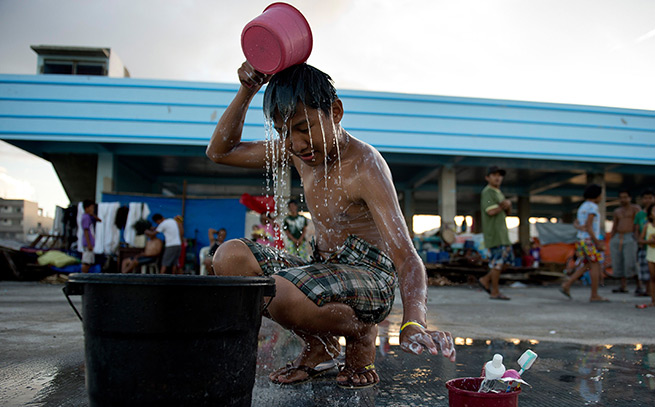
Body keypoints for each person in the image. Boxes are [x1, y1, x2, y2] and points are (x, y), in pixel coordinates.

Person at [206, 62, 455, 388]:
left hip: (370, 279)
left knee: (276, 291)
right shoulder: (298, 152)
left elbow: (407, 255)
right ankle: (320, 346)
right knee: (228, 258)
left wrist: (413, 323)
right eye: (284, 133)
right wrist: (247, 90)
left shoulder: (364, 165)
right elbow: (220, 152)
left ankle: (361, 331)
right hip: (322, 269)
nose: (296, 144)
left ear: (335, 111)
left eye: (304, 127)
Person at [560, 184, 609, 302]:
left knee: (587, 265)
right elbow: (589, 225)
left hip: (581, 240)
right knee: (595, 265)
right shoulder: (593, 207)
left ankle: (567, 284)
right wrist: (597, 242)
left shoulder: (582, 207)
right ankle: (594, 294)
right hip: (590, 241)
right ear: (597, 195)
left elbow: (577, 223)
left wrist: (579, 227)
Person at [477, 166, 514, 300]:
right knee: (497, 263)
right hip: (495, 234)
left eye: (500, 175)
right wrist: (503, 205)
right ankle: (495, 291)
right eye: (494, 175)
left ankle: (485, 280)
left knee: (505, 262)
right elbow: (490, 211)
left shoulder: (499, 192)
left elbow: (507, 212)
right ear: (487, 177)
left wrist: (507, 205)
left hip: (503, 234)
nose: (497, 177)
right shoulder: (487, 192)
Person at [609, 190, 640, 293]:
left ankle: (639, 285)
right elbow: (614, 225)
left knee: (631, 262)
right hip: (618, 236)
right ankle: (623, 286)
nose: (623, 200)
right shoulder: (617, 211)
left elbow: (638, 224)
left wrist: (637, 237)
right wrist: (611, 238)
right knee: (618, 261)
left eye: (625, 197)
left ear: (630, 198)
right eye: (621, 197)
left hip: (630, 236)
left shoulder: (635, 209)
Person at [634, 189, 654, 297]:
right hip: (645, 248)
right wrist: (641, 242)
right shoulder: (640, 215)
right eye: (645, 198)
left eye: (650, 197)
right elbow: (636, 230)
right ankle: (649, 292)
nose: (648, 200)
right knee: (647, 272)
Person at [637, 203, 655, 309]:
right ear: (650, 214)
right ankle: (653, 300)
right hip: (651, 254)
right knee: (653, 278)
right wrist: (649, 241)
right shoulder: (647, 226)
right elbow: (640, 239)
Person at [81, 200, 101, 273]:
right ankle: (83, 277)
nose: (92, 209)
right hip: (87, 244)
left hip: (90, 244)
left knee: (89, 262)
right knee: (86, 262)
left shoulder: (89, 217)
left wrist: (92, 214)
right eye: (91, 208)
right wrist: (89, 244)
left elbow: (99, 220)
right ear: (86, 208)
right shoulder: (86, 217)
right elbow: (86, 231)